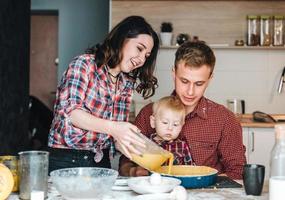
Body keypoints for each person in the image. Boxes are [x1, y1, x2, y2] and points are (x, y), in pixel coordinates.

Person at [47, 16, 159, 173]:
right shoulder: (84, 64)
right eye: (139, 49)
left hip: (100, 162)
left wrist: (136, 146)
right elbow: (72, 114)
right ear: (122, 39)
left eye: (146, 56)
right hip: (66, 160)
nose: (141, 60)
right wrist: (114, 128)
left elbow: (114, 135)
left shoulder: (126, 83)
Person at [119, 41, 246, 179]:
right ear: (174, 74)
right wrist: (133, 171)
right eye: (184, 81)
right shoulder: (148, 113)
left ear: (210, 79)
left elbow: (238, 171)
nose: (190, 92)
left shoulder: (224, 119)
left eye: (199, 83)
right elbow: (126, 162)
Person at [149, 96, 194, 165]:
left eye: (175, 124)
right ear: (153, 122)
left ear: (181, 126)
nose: (170, 128)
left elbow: (190, 169)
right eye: (165, 122)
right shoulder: (147, 144)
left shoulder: (182, 146)